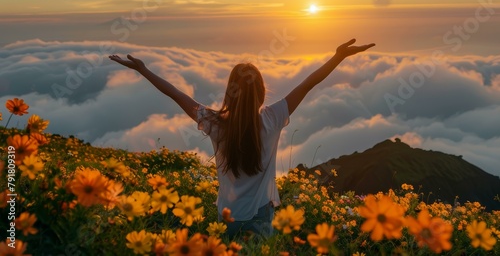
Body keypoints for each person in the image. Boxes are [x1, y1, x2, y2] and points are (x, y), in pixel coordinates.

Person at [109, 38, 375, 238]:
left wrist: (143, 70)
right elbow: (308, 83)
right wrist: (337, 58)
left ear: (230, 92)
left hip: (227, 216)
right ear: (261, 92)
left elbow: (177, 94)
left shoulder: (215, 124)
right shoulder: (272, 119)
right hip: (261, 214)